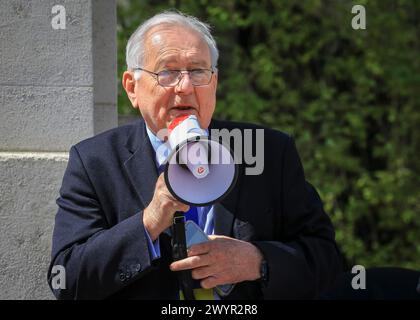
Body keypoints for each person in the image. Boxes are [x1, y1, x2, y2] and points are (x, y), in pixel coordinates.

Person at [48, 10, 342, 300]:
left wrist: (258, 261)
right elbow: (67, 279)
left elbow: (328, 262)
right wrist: (149, 221)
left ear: (213, 83)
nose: (186, 87)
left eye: (199, 72)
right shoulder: (95, 161)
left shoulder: (268, 151)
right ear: (132, 88)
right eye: (168, 72)